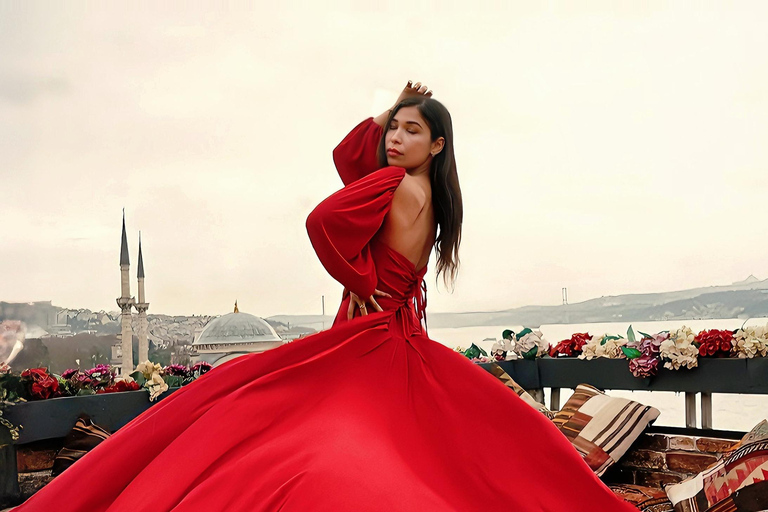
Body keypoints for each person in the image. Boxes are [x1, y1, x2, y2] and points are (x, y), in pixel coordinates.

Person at [15, 81, 635, 511]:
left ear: (437, 144)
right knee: (445, 443)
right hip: (401, 334)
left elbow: (321, 216)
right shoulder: (437, 199)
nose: (393, 138)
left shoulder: (395, 185)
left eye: (411, 130)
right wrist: (399, 108)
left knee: (249, 414)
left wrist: (359, 281)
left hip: (367, 336)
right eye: (393, 128)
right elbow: (355, 167)